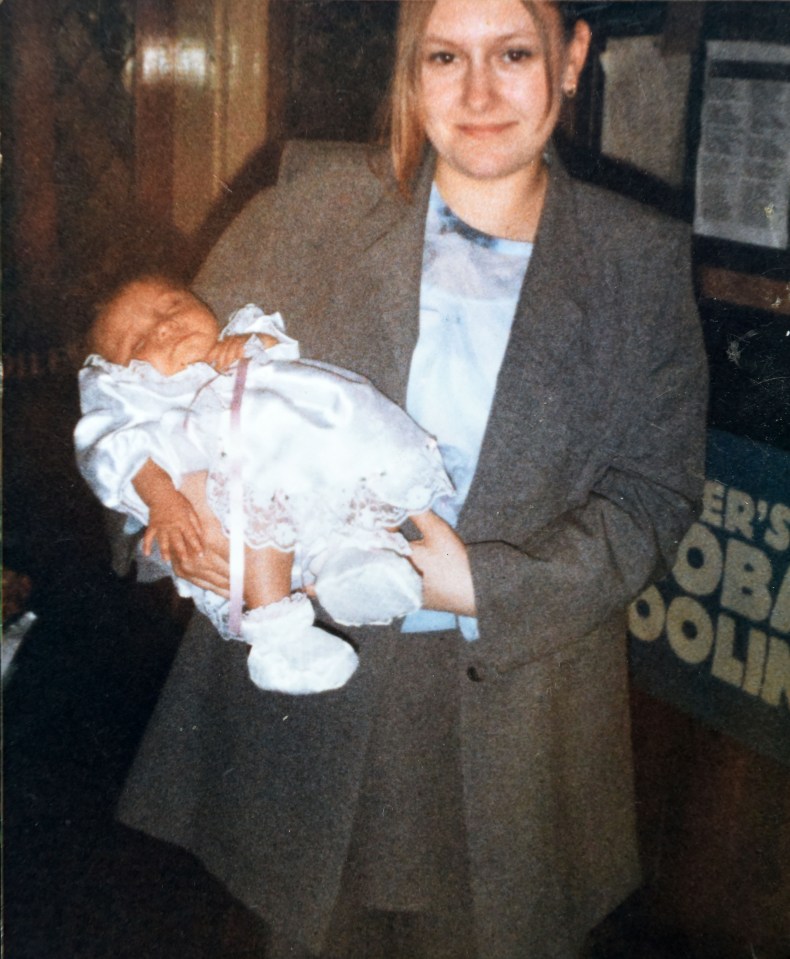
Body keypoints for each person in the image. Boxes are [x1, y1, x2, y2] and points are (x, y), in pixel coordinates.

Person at [114, 1, 708, 956]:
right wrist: (171, 516)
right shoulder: (305, 212)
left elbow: (655, 492)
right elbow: (141, 388)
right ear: (410, 68)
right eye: (445, 55)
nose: (478, 93)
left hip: (522, 725)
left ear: (572, 58)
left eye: (513, 53)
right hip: (310, 711)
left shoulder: (637, 260)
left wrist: (485, 582)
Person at [75, 275, 452, 694]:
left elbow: (281, 350)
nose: (163, 326)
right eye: (139, 338)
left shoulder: (239, 335)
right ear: (120, 373)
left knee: (317, 478)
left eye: (172, 305)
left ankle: (353, 563)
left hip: (301, 477)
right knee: (250, 485)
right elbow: (124, 454)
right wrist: (163, 501)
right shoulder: (142, 403)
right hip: (232, 516)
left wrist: (252, 344)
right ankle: (279, 631)